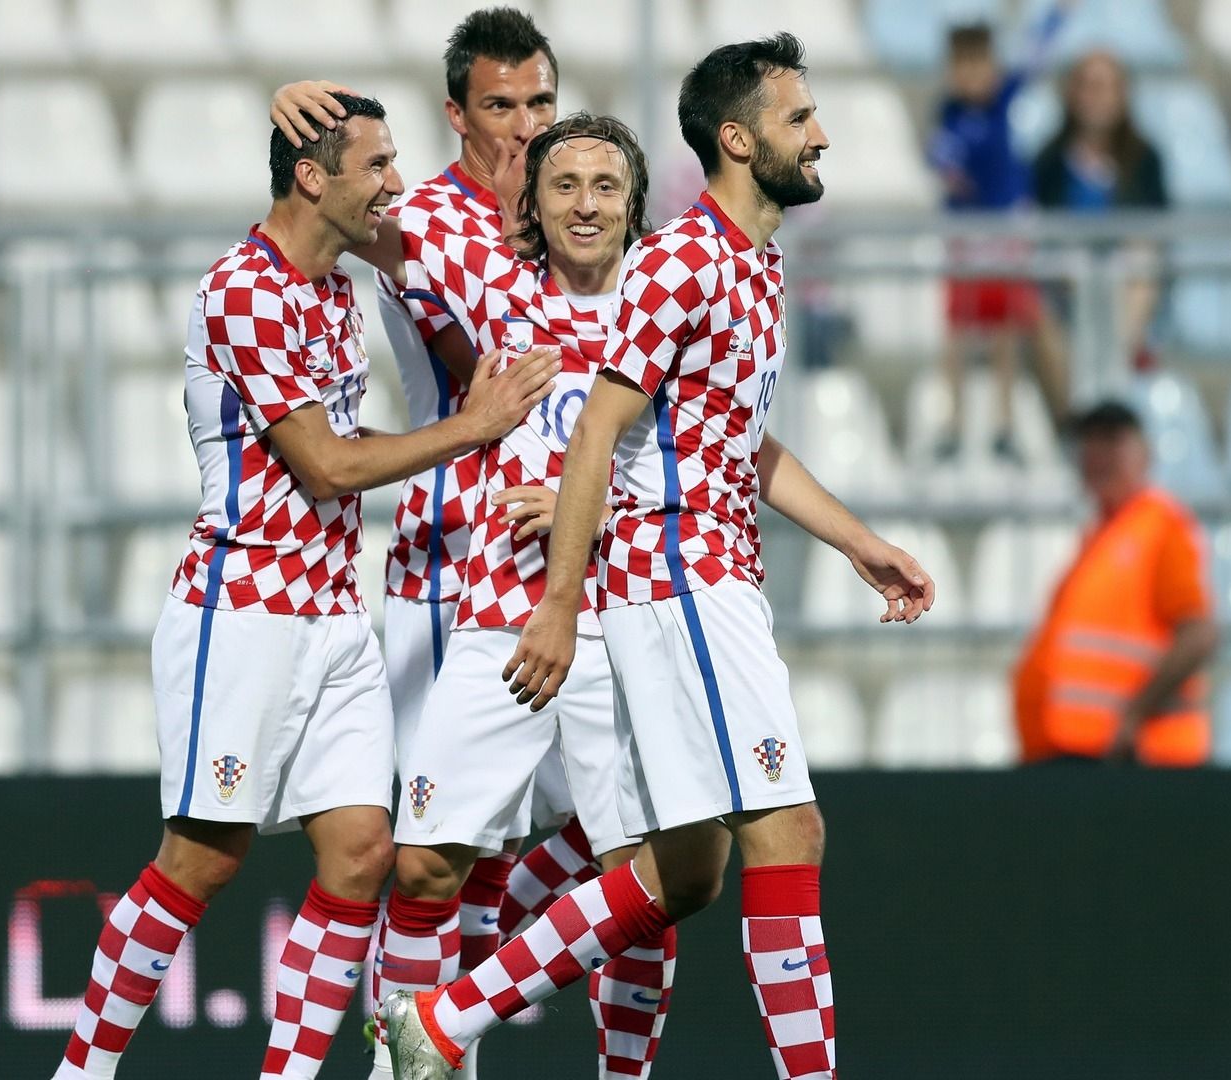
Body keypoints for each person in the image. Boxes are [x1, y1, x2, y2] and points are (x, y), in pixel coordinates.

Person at [380, 35, 936, 1080]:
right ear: (739, 138)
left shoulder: (750, 262)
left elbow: (738, 443)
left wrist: (861, 543)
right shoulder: (685, 261)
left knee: (685, 870)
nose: (820, 135)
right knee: (788, 831)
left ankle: (448, 1019)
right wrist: (555, 601)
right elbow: (598, 429)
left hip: (703, 569)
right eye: (798, 118)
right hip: (676, 575)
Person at [46, 94, 558, 1080]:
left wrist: (508, 205)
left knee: (365, 857)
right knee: (201, 861)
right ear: (313, 177)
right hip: (240, 613)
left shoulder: (332, 287)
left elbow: (419, 257)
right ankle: (84, 1070)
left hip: (333, 615)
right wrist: (473, 427)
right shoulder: (245, 290)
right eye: (375, 165)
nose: (395, 184)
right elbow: (323, 463)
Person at [270, 11, 609, 1062]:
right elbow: (306, 209)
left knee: (613, 836)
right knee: (426, 860)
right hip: (443, 565)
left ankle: (444, 1039)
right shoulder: (418, 223)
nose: (523, 126)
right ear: (457, 114)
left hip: (566, 569)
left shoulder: (586, 219)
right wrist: (289, 126)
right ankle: (398, 1056)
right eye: (500, 106)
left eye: (540, 103)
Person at [348, 112, 676, 1080]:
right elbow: (353, 217)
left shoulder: (666, 313)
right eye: (563, 185)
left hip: (624, 626)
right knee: (425, 864)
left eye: (605, 186)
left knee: (637, 877)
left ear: (633, 203)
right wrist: (300, 110)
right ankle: (414, 1069)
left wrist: (593, 507)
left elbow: (713, 472)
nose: (585, 205)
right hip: (500, 618)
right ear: (530, 203)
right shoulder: (496, 288)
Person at [1012, 400, 1217, 766]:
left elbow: (1199, 634)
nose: (1097, 454)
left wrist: (1134, 715)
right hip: (1083, 753)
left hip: (1136, 757)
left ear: (1145, 454)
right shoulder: (1102, 534)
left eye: (1112, 441)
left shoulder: (1161, 526)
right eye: (1089, 442)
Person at [927, 9, 1073, 462]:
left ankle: (1003, 423)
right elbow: (937, 156)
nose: (972, 77)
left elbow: (1035, 54)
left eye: (980, 65)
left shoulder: (1003, 98)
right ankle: (953, 421)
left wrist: (1060, 14)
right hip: (966, 239)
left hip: (1004, 234)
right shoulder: (948, 114)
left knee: (1006, 331)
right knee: (956, 330)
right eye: (963, 67)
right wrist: (947, 166)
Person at [1031, 50, 1169, 372]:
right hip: (1066, 278)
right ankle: (1079, 409)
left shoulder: (1145, 159)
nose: (1097, 98)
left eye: (1107, 87)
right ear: (1072, 93)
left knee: (1140, 266)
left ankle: (1113, 370)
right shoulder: (1049, 161)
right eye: (1090, 86)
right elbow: (1038, 225)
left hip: (1122, 275)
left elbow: (1158, 227)